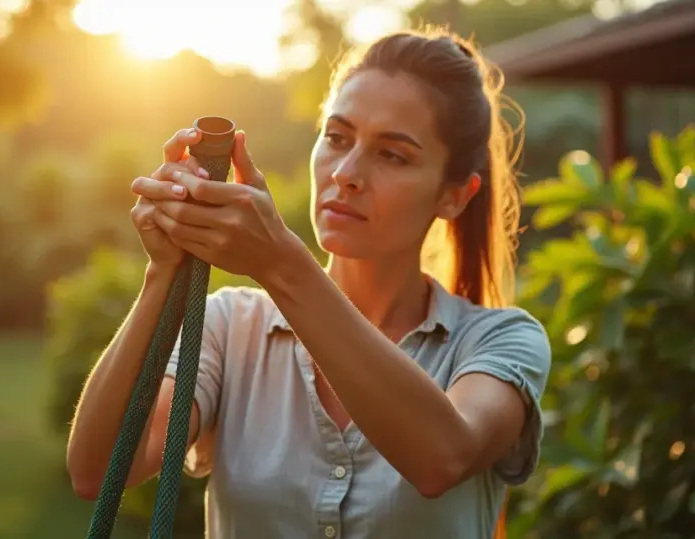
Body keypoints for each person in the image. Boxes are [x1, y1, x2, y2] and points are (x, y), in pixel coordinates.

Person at [66, 26, 552, 539]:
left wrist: (280, 263)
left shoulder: (500, 341)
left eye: (392, 154)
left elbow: (443, 458)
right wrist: (163, 273)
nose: (346, 173)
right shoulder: (229, 327)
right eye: (337, 138)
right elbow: (98, 471)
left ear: (454, 195)